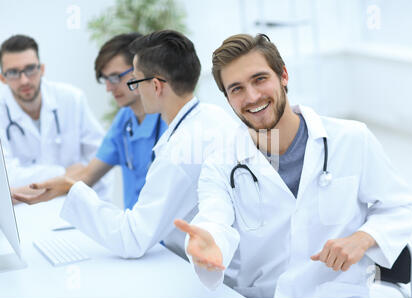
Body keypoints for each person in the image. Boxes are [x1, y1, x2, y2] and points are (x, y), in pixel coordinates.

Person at [174, 33, 412, 298]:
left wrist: (364, 237)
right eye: (237, 89)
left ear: (283, 76)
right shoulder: (220, 164)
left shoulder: (352, 139)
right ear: (228, 98)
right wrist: (208, 244)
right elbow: (213, 220)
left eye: (260, 79)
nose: (253, 96)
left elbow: (401, 206)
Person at [15, 30, 240, 260]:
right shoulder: (212, 117)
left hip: (190, 261)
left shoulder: (179, 151)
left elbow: (132, 239)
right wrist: (61, 185)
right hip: (172, 250)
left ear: (156, 86)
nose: (133, 88)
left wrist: (69, 188)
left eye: (136, 81)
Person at [13, 33, 167, 210]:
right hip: (133, 227)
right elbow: (87, 175)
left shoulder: (167, 121)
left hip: (168, 232)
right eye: (105, 79)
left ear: (139, 71)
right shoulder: (124, 120)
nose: (109, 88)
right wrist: (32, 192)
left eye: (115, 77)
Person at [0, 34, 112, 201]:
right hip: (24, 214)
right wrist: (64, 174)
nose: (24, 80)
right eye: (14, 72)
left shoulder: (71, 99)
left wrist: (23, 188)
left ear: (42, 69)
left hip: (74, 205)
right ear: (3, 78)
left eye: (30, 69)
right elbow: (6, 178)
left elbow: (101, 159)